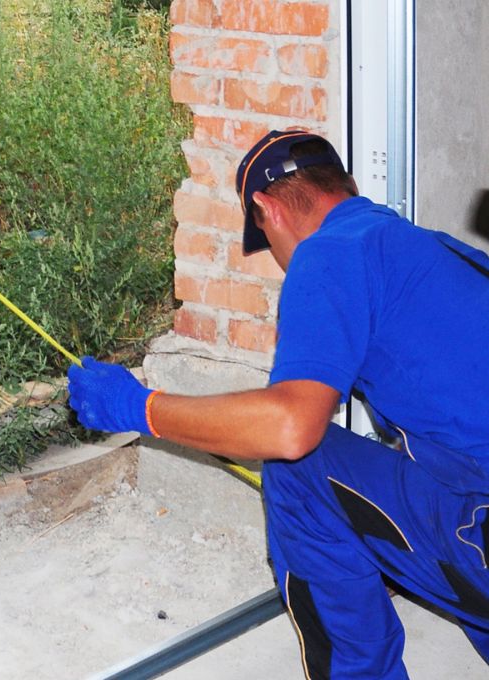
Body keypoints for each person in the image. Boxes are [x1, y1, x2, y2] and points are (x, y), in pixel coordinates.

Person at [67, 129, 489, 679]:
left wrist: (138, 407)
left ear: (266, 209)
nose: (281, 262)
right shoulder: (438, 251)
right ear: (347, 187)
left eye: (265, 241)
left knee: (299, 468)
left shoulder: (329, 253)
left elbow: (290, 427)